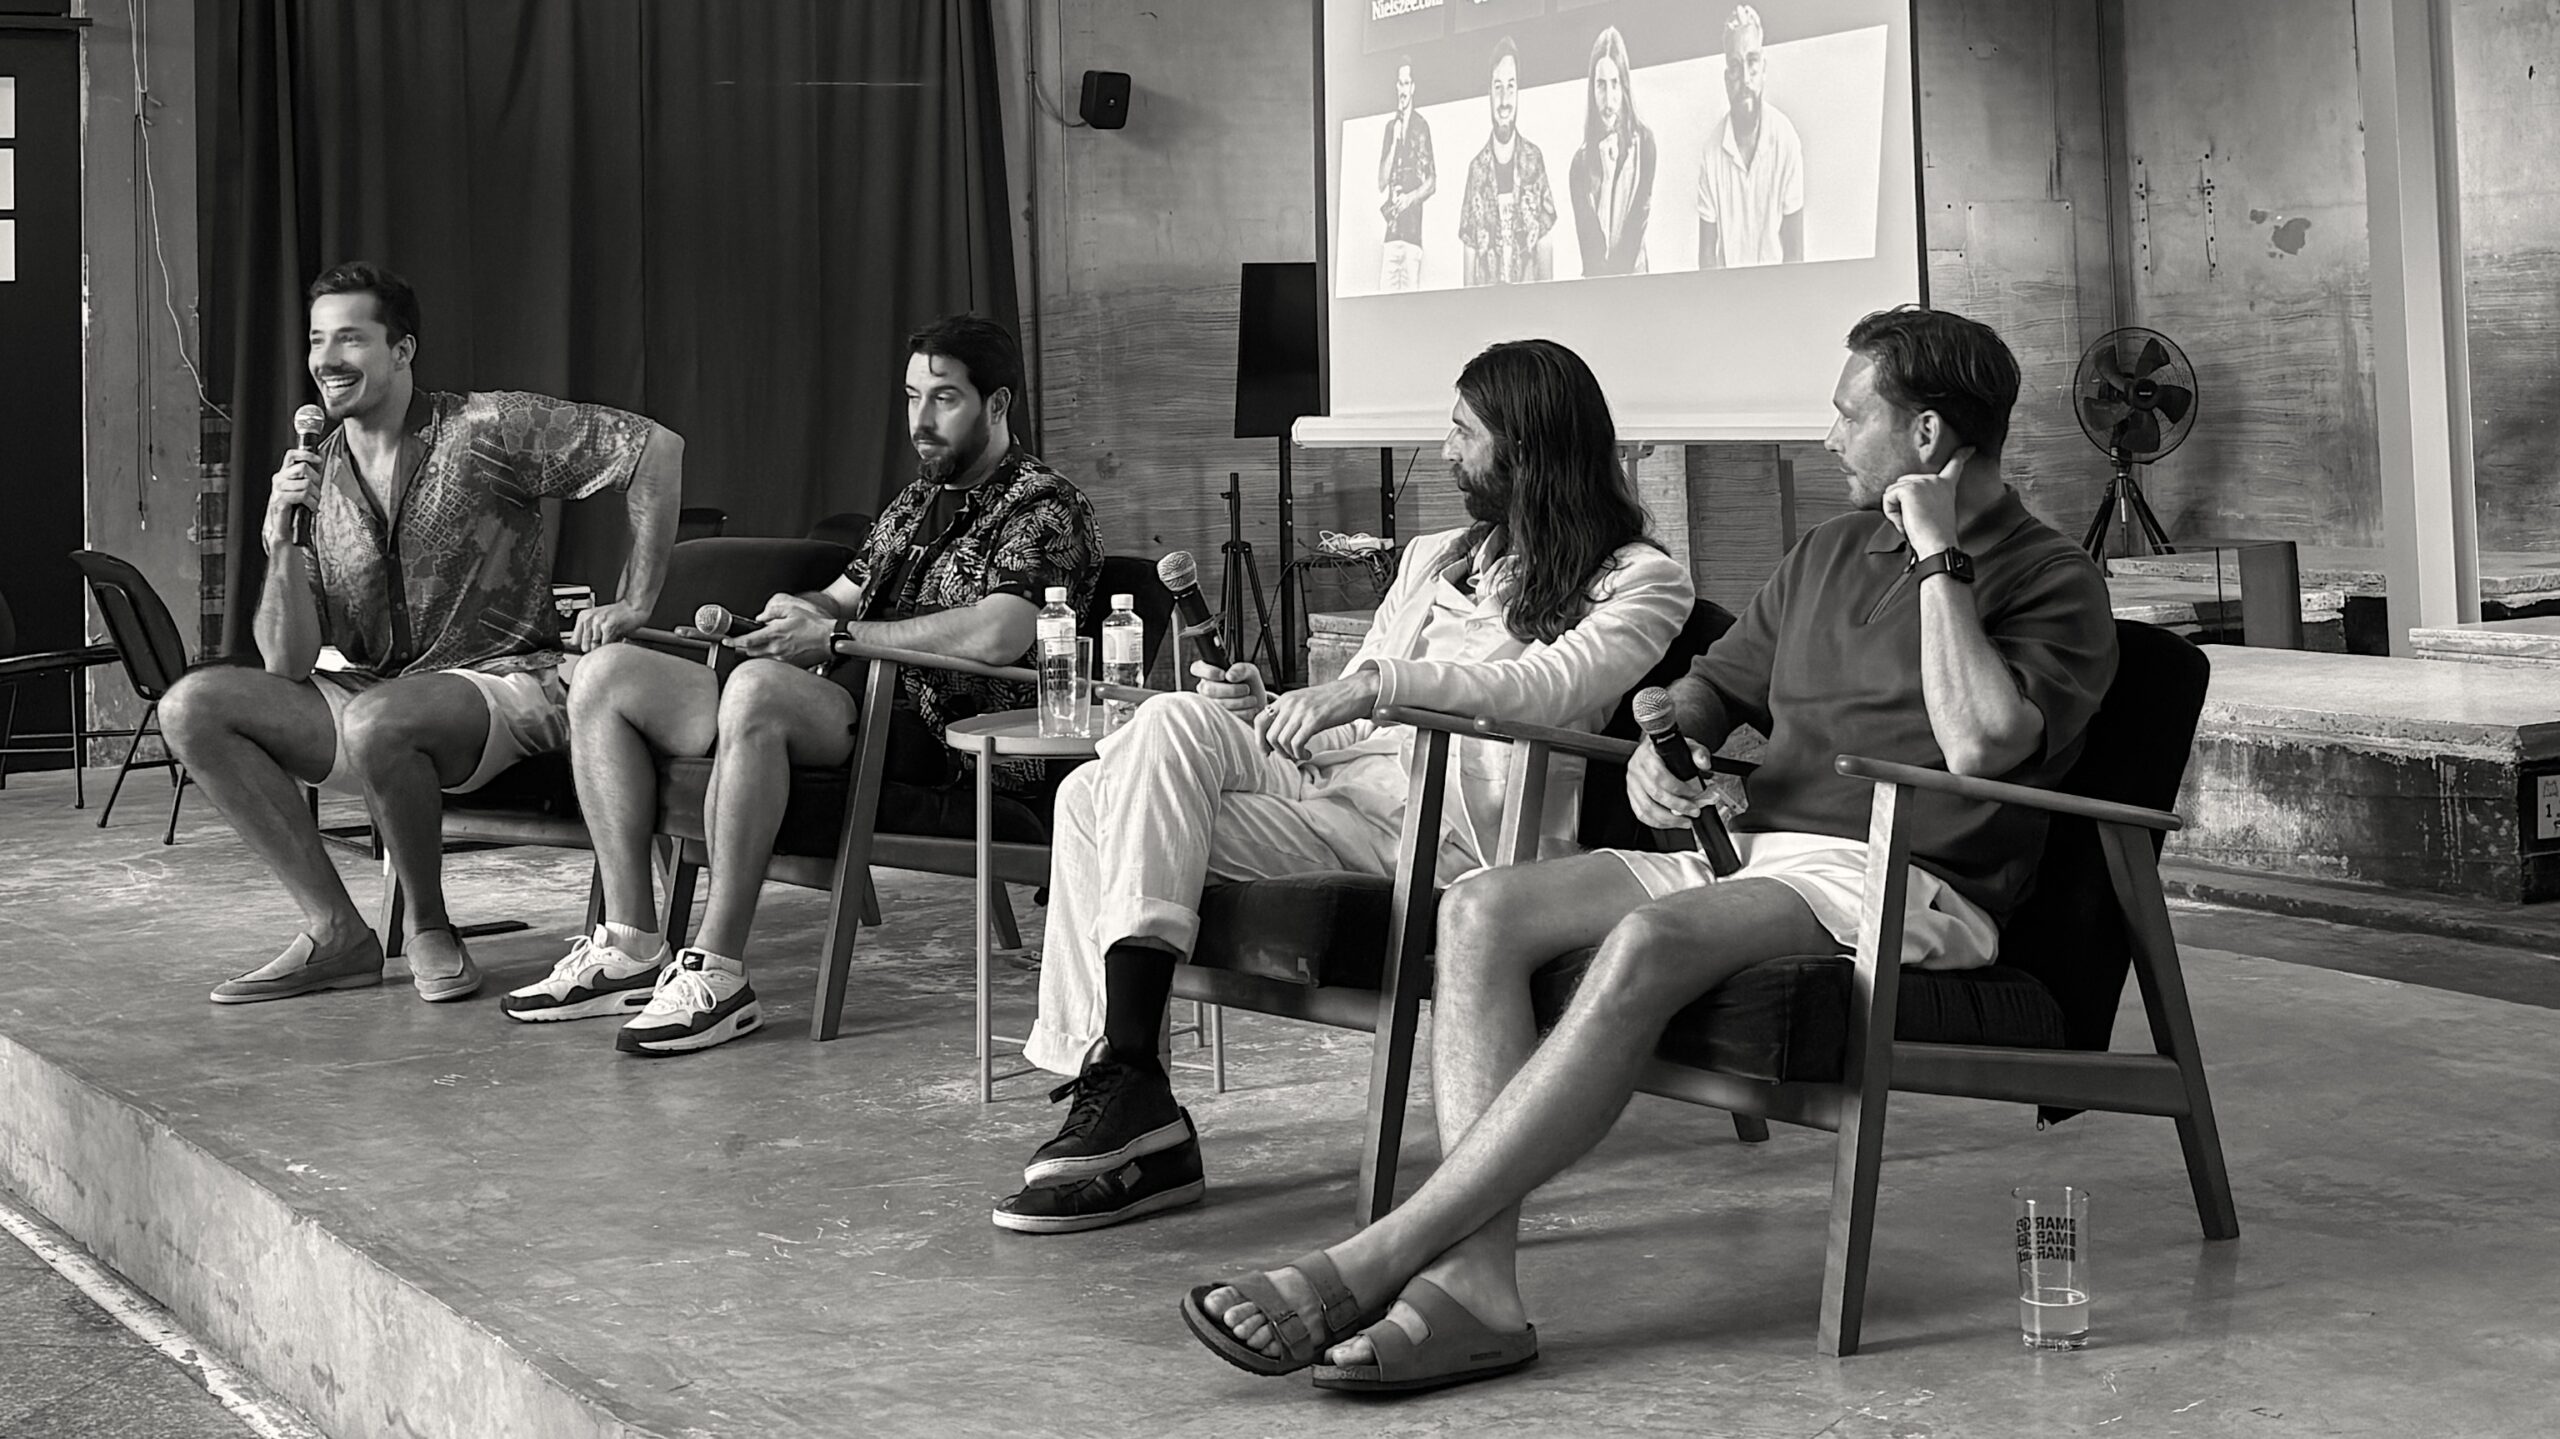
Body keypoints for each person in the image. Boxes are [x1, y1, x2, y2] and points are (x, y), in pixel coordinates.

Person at [1179, 306, 2118, 1393]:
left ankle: (1376, 1258)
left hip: (1900, 875)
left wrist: (1939, 556)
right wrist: (1664, 753)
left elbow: (1982, 741)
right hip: (1756, 853)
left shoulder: (2050, 577)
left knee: (1645, 939)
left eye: (1848, 415)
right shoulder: (1827, 550)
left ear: (1926, 437)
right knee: (1479, 909)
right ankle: (1476, 1290)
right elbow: (1711, 688)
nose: (1827, 437)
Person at [991, 338, 1693, 1234]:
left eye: (1464, 431)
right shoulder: (1436, 556)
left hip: (1448, 838)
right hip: (1339, 798)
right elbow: (1354, 723)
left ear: (1526, 449)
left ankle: (1134, 1113)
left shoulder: (1640, 579)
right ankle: (1124, 1073)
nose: (1446, 450)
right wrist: (1274, 707)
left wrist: (1373, 686)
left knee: (1091, 801)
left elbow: (1548, 689)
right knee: (1147, 740)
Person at [524, 315, 1100, 1056]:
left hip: (947, 736)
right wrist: (800, 611)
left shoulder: (1045, 505)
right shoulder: (916, 502)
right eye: (912, 397)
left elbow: (1002, 632)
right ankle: (630, 943)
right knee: (606, 676)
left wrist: (833, 637)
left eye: (945, 398)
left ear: (997, 404)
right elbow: (839, 594)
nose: (921, 420)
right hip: (853, 703)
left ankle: (719, 971)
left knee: (758, 691)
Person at [160, 261, 683, 1005]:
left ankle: (429, 927)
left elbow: (653, 447)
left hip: (508, 684)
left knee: (381, 718)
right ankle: (336, 931)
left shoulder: (487, 427)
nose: (327, 359)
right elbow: (287, 662)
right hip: (377, 693)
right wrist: (280, 540)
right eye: (317, 340)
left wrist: (636, 599)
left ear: (402, 350)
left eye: (351, 338)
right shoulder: (317, 474)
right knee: (191, 707)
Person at [1697, 5, 1805, 268]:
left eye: (1752, 62)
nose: (1745, 78)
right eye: (1735, 66)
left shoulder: (1786, 140)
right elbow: (1707, 258)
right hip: (1727, 290)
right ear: (1726, 79)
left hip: (1778, 288)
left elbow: (1795, 253)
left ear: (1763, 69)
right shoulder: (1711, 152)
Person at [1457, 39, 1559, 286]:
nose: (1504, 100)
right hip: (1488, 309)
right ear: (1489, 94)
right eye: (1498, 87)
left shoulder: (1534, 161)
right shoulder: (1476, 170)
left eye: (1511, 87)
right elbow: (1468, 271)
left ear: (1518, 92)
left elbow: (1545, 256)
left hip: (1528, 308)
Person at [1567, 27, 1657, 277]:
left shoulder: (1645, 146)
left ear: (1624, 86)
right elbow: (1592, 256)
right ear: (1592, 90)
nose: (1608, 101)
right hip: (1596, 289)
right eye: (1601, 85)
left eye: (1615, 84)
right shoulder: (1579, 165)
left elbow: (1634, 235)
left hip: (1634, 285)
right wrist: (1606, 182)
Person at [1377, 56, 1438, 292]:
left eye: (1407, 83)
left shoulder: (1421, 127)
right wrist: (1394, 142)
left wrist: (1410, 199)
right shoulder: (1390, 128)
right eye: (1400, 83)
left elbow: (1432, 182)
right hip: (1391, 236)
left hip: (1412, 237)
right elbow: (1381, 182)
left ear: (1413, 87)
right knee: (1385, 301)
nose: (1403, 90)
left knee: (1410, 304)